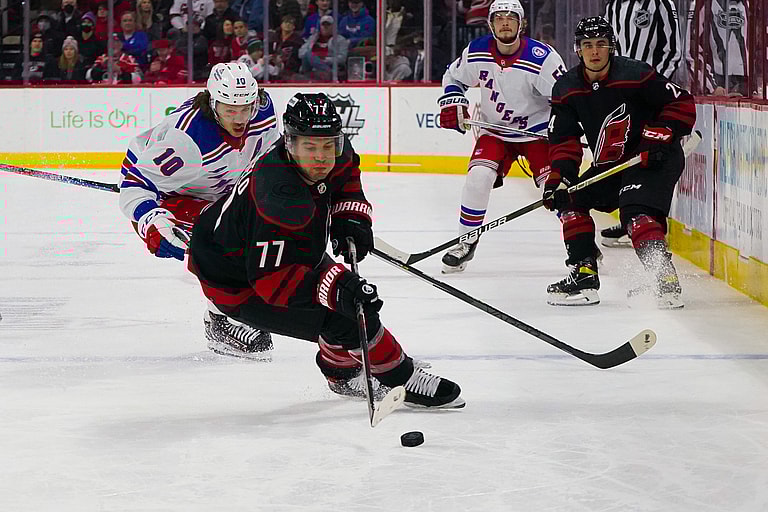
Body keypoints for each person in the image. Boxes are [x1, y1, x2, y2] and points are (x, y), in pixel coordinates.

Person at [187, 92, 465, 408]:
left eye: (328, 144)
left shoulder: (334, 151)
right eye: (310, 147)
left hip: (272, 250)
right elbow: (273, 284)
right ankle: (399, 377)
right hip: (235, 280)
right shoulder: (278, 196)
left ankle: (342, 373)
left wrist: (351, 217)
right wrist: (336, 288)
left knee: (345, 302)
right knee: (347, 316)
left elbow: (345, 176)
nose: (321, 156)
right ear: (288, 142)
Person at [118, 62, 280, 359]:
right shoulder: (189, 141)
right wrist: (152, 220)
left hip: (219, 187)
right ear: (213, 103)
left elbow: (269, 159)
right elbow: (135, 185)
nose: (240, 118)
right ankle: (219, 321)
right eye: (230, 110)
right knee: (222, 245)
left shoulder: (264, 111)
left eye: (246, 108)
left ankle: (228, 306)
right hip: (170, 192)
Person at [543, 16, 695, 309]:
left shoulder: (636, 74)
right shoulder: (566, 87)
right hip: (612, 165)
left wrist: (658, 138)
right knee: (570, 201)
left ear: (612, 46)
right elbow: (564, 139)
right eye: (588, 45)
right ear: (578, 50)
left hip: (654, 158)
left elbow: (681, 102)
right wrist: (559, 178)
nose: (595, 51)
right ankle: (584, 276)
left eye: (601, 44)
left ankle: (664, 279)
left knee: (634, 213)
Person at [437, 0, 566, 273]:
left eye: (511, 17)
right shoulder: (476, 51)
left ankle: (580, 242)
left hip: (536, 134)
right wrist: (452, 98)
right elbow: (453, 77)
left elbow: (565, 97)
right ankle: (466, 240)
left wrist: (561, 125)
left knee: (554, 188)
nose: (505, 22)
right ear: (490, 23)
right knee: (478, 177)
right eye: (499, 18)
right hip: (495, 132)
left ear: (522, 23)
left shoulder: (543, 58)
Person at [601, 0, 683, 248]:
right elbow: (608, 48)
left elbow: (673, 50)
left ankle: (654, 222)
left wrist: (653, 86)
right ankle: (631, 216)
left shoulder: (660, 3)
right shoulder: (613, 5)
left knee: (653, 156)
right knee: (626, 155)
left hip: (651, 95)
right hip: (620, 94)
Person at [299, 15, 349, 81]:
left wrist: (324, 59)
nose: (325, 27)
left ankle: (328, 71)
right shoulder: (312, 38)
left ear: (333, 27)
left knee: (309, 55)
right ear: (320, 26)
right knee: (308, 54)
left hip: (328, 66)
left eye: (328, 25)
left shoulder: (341, 40)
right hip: (310, 67)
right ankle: (328, 72)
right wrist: (315, 58)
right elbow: (300, 53)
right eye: (323, 25)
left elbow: (342, 58)